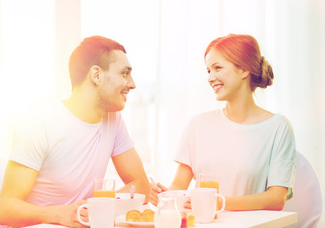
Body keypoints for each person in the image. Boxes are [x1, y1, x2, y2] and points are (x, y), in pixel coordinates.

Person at [0, 36, 150, 227]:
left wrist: (91, 208)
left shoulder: (113, 120)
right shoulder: (40, 122)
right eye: (124, 73)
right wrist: (56, 214)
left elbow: (141, 185)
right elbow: (4, 208)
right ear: (97, 75)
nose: (132, 84)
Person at [150, 34, 296, 211]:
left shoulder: (277, 127)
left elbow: (276, 199)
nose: (210, 78)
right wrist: (163, 195)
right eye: (208, 71)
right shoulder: (198, 125)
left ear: (244, 70)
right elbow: (178, 187)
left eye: (217, 68)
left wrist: (221, 203)